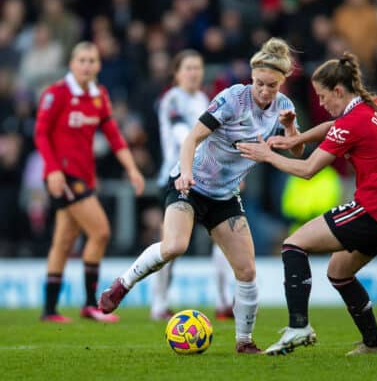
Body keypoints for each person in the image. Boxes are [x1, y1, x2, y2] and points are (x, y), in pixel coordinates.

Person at [99, 38, 304, 353]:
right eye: (260, 83)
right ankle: (123, 284)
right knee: (174, 246)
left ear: (282, 83)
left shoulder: (284, 108)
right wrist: (184, 173)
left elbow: (298, 150)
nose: (264, 91)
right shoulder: (232, 99)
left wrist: (291, 130)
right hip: (190, 185)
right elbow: (192, 137)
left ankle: (244, 341)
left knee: (247, 269)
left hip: (225, 196)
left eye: (272, 86)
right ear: (251, 77)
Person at [237, 52, 377, 356]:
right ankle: (374, 344)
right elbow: (336, 126)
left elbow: (306, 170)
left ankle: (298, 327)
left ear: (339, 91)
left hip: (372, 211)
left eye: (323, 96)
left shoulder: (353, 122)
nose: (321, 103)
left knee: (293, 245)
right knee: (339, 272)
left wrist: (267, 155)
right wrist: (296, 139)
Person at [34, 41, 145, 323]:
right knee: (101, 231)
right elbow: (41, 134)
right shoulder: (57, 93)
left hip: (85, 176)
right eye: (81, 60)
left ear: (98, 65)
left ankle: (49, 311)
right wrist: (52, 169)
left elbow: (113, 135)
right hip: (65, 175)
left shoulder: (99, 96)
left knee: (63, 240)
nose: (86, 65)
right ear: (72, 64)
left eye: (91, 61)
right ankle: (89, 304)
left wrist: (132, 168)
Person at [151, 50, 234, 321]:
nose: (194, 72)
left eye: (198, 67)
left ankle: (224, 303)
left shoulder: (203, 100)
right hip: (176, 176)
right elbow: (181, 136)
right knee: (171, 246)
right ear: (176, 72)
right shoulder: (172, 99)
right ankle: (159, 304)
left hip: (208, 179)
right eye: (188, 67)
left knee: (222, 241)